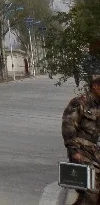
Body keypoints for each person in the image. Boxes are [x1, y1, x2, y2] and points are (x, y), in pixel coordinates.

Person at [62, 71, 100, 205]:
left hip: (95, 151)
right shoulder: (79, 102)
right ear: (95, 86)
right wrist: (74, 151)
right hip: (81, 151)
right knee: (92, 190)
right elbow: (68, 127)